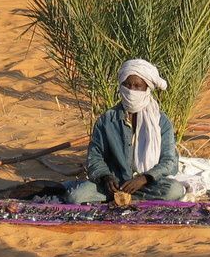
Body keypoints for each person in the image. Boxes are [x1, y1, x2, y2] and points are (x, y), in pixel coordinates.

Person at [65, 59, 186, 204]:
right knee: (76, 197)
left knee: (174, 190)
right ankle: (122, 198)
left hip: (147, 185)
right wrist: (106, 177)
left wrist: (144, 178)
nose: (131, 90)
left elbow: (169, 161)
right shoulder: (107, 120)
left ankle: (128, 199)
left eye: (137, 86)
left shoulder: (161, 121)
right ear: (121, 85)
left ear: (147, 88)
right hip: (115, 186)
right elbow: (95, 157)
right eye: (127, 85)